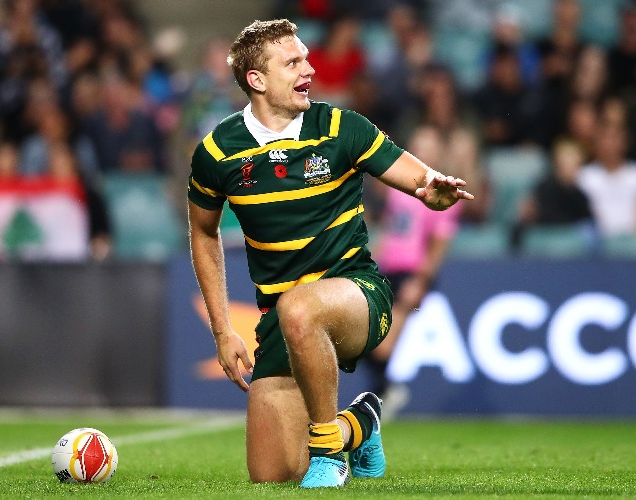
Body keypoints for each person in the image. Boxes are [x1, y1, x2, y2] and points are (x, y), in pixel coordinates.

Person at [187, 19, 473, 488]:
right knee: (273, 475)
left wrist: (431, 189)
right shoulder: (217, 152)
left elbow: (417, 176)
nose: (310, 68)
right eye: (293, 62)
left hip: (359, 297)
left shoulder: (340, 127)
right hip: (283, 320)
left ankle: (329, 453)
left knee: (300, 304)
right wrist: (222, 330)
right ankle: (357, 425)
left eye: (306, 57)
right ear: (257, 81)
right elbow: (203, 233)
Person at [367, 125, 462, 420]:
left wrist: (421, 280)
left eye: (430, 145)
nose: (424, 150)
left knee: (381, 346)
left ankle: (385, 393)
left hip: (411, 272)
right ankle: (382, 394)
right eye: (419, 144)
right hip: (387, 268)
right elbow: (392, 226)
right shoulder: (404, 186)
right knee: (368, 335)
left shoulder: (445, 192)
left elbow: (438, 243)